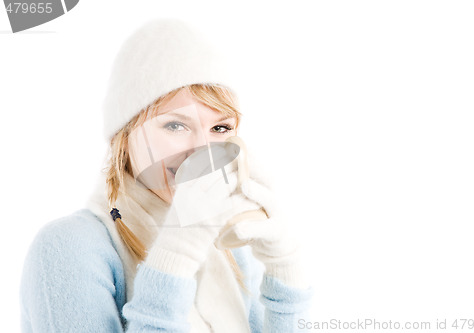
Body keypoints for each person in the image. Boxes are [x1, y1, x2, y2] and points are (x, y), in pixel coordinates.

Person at [19, 18, 313, 332]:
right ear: (126, 134)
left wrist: (285, 275)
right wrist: (176, 252)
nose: (204, 149)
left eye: (220, 128)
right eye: (175, 125)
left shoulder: (228, 249)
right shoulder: (69, 246)